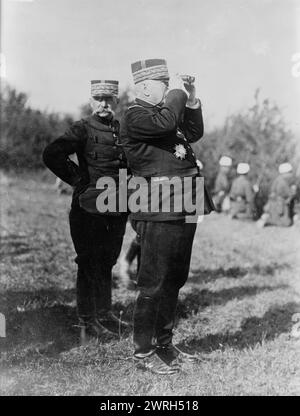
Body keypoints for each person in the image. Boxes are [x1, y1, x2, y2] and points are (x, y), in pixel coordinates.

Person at [120, 58, 215, 375]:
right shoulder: (136, 115)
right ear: (145, 86)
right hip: (158, 205)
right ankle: (142, 352)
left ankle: (164, 344)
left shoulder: (164, 114)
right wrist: (176, 92)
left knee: (175, 277)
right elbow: (165, 125)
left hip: (184, 202)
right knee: (154, 282)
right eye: (163, 83)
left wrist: (191, 97)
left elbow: (193, 131)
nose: (167, 89)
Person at [43, 79, 129, 344]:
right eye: (98, 99)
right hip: (88, 208)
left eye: (108, 99)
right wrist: (79, 179)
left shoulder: (121, 129)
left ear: (116, 102)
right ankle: (86, 320)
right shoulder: (82, 128)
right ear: (91, 101)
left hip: (116, 207)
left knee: (108, 260)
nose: (104, 104)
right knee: (88, 262)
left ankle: (104, 313)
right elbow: (52, 154)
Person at [257, 163, 297, 227]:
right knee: (287, 223)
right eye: (290, 172)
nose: (291, 175)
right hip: (280, 205)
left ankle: (267, 218)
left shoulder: (278, 180)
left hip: (274, 205)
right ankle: (267, 220)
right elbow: (288, 194)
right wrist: (293, 191)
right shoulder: (282, 182)